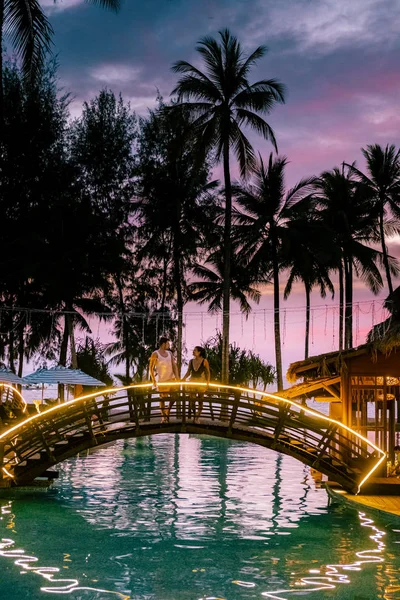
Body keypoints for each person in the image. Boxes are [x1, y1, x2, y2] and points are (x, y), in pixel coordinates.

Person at [149, 337, 179, 422]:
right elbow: (151, 368)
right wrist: (154, 380)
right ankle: (163, 416)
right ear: (163, 344)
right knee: (162, 398)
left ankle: (168, 410)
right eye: (168, 343)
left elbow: (174, 366)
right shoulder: (155, 353)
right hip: (162, 380)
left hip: (171, 378)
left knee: (174, 396)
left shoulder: (169, 353)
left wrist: (177, 378)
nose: (169, 345)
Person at [182, 346, 210, 423]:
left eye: (195, 350)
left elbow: (208, 373)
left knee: (200, 401)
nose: (193, 351)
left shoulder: (204, 361)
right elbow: (188, 372)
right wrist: (183, 379)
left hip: (201, 383)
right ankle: (194, 416)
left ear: (199, 352)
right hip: (192, 382)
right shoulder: (191, 361)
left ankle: (197, 417)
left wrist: (207, 383)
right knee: (192, 401)